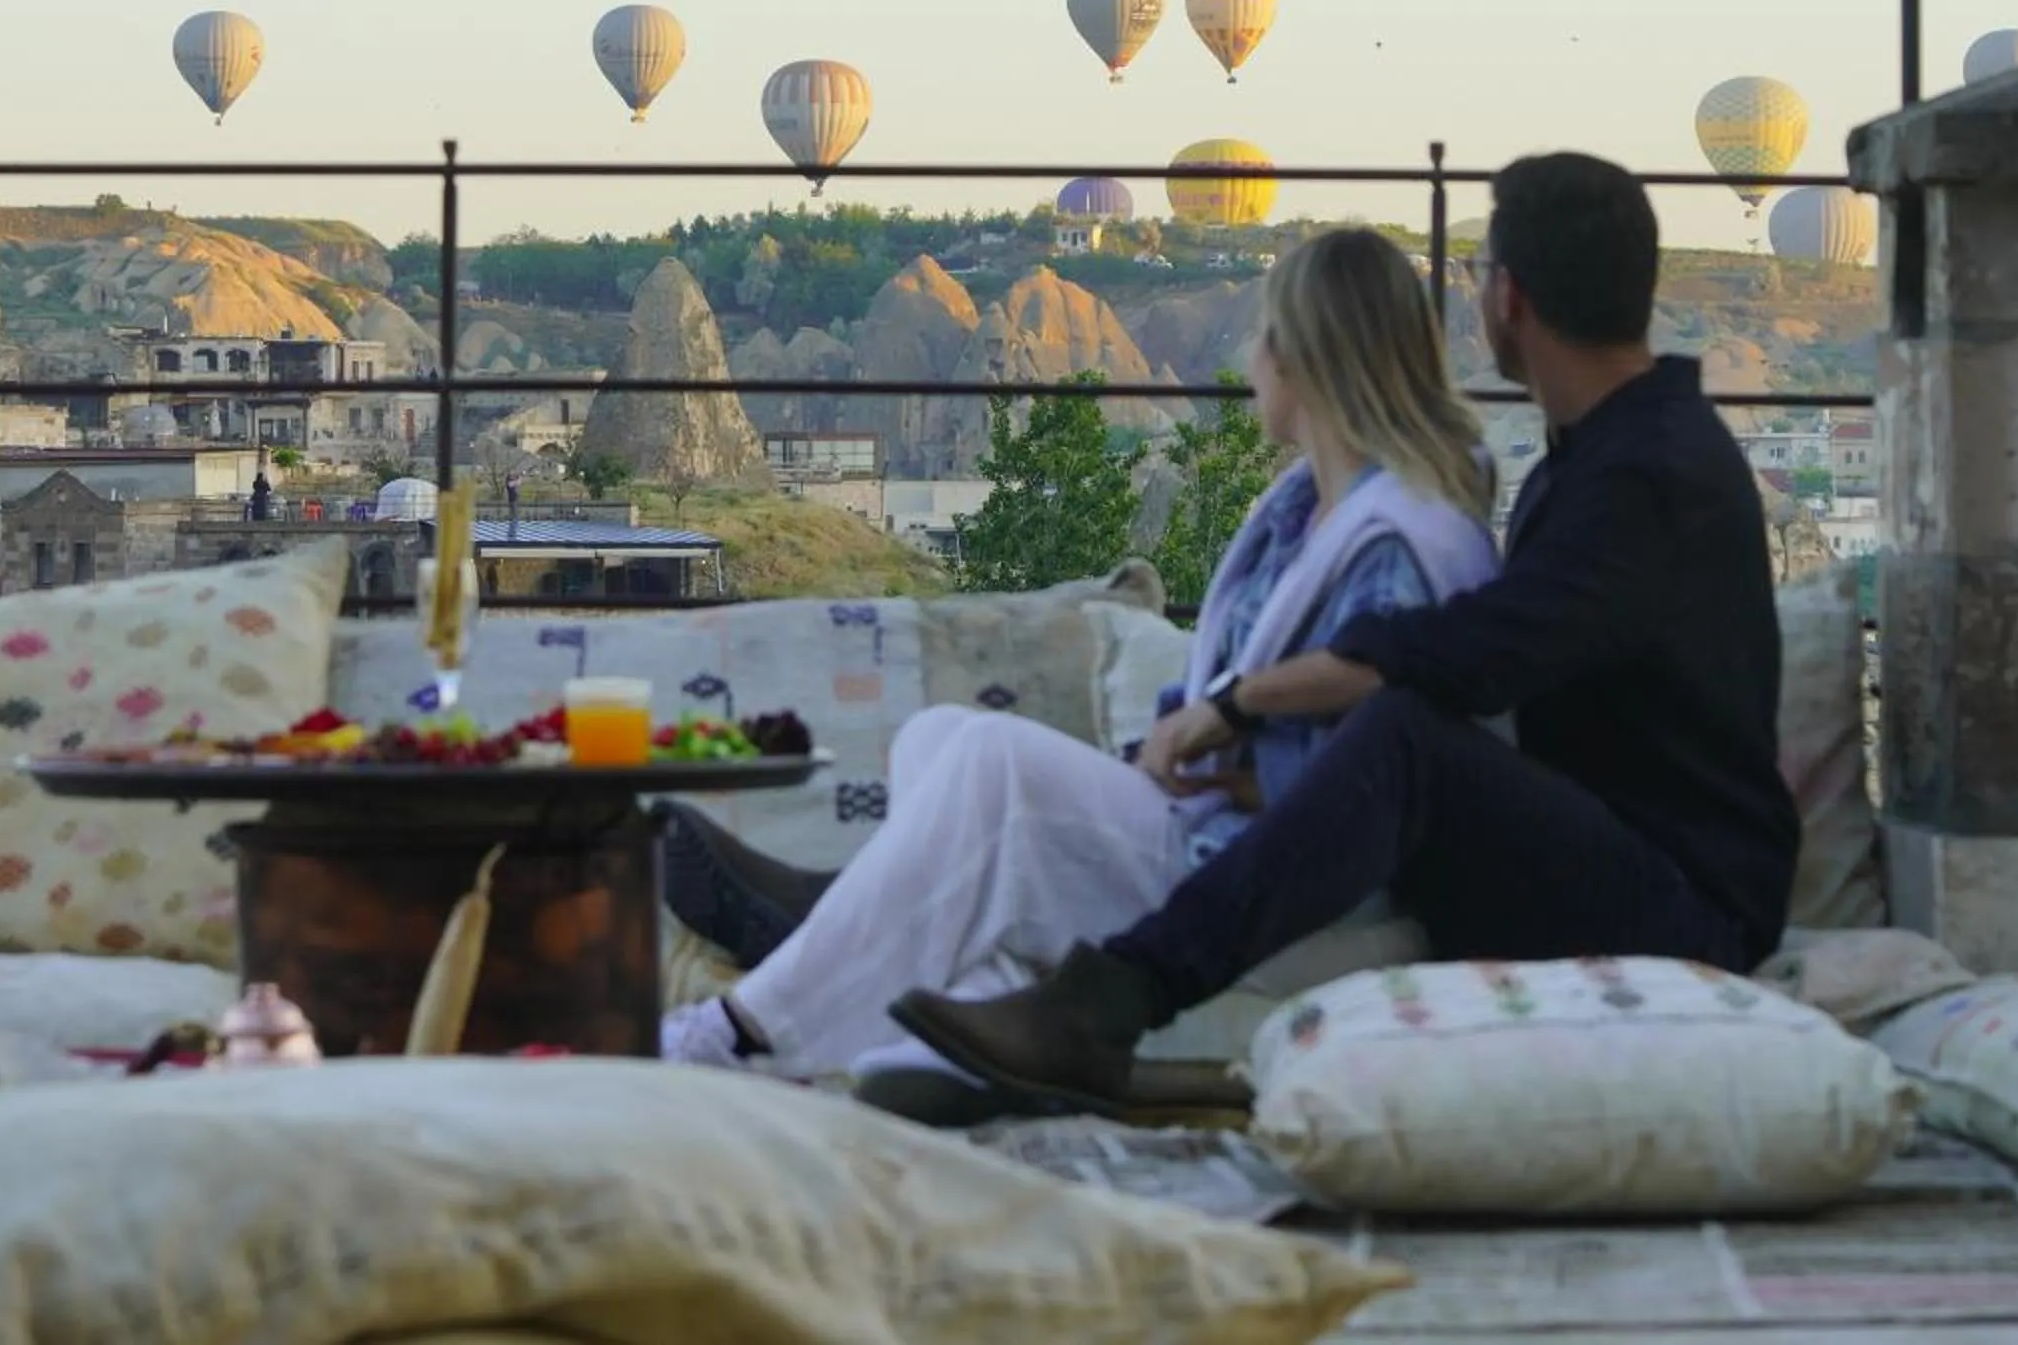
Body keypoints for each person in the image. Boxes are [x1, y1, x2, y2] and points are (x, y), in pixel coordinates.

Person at [890, 152, 1803, 1117]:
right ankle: (944, 962)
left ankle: (1101, 1008)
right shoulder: (1608, 457)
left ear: (1508, 299)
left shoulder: (1647, 473)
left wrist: (1237, 704)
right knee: (1392, 736)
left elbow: (1474, 654)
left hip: (1682, 905)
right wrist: (1266, 762)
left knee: (1404, 735)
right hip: (1609, 850)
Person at [657, 227, 1500, 1114]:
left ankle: (740, 1032)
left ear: (1303, 359)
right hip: (1205, 819)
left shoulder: (1403, 542)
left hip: (1280, 885)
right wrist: (1172, 740)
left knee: (993, 769)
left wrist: (1215, 758)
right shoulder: (1303, 508)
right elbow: (1223, 680)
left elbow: (1388, 775)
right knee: (940, 738)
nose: (1248, 361)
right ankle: (946, 1030)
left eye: (1262, 339)